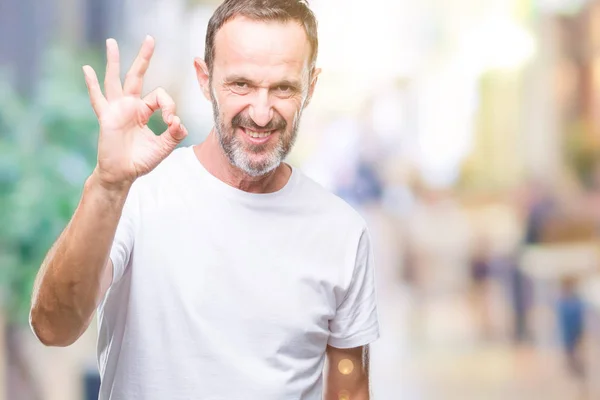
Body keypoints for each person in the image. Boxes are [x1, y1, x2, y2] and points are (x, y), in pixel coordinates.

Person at [28, 0, 380, 399]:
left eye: (283, 87)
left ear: (310, 86)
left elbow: (349, 387)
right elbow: (53, 327)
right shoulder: (138, 195)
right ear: (204, 77)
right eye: (241, 84)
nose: (262, 114)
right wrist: (108, 184)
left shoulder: (343, 232)